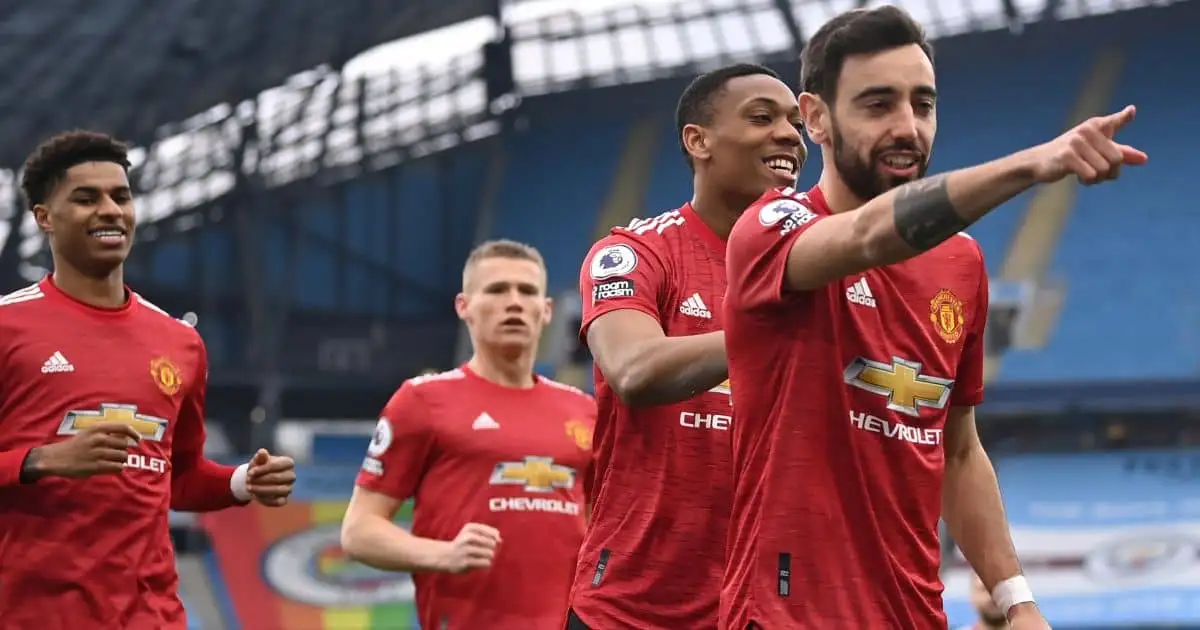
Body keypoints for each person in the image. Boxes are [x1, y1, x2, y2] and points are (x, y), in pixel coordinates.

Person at [721, 6, 1145, 630]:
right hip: (787, 614)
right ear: (816, 117)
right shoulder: (771, 228)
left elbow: (959, 452)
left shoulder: (961, 262)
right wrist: (1033, 164)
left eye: (922, 104)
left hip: (915, 614)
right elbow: (868, 236)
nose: (907, 127)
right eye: (878, 105)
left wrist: (1018, 602)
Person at [0, 130, 297, 629]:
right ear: (44, 218)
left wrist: (242, 481)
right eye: (86, 198)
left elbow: (177, 476)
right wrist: (39, 460)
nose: (110, 211)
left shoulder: (180, 342)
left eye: (121, 196)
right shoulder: (7, 326)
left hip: (151, 616)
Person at [569, 63, 806, 629]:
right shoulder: (636, 253)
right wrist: (772, 328)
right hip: (635, 609)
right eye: (762, 118)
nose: (789, 136)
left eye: (796, 124)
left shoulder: (817, 263)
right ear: (698, 141)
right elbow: (635, 370)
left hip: (772, 609)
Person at [341, 239, 597, 630]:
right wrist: (442, 555)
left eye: (527, 291)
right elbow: (358, 531)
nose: (514, 302)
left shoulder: (584, 410)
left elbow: (598, 526)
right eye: (497, 290)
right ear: (464, 306)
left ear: (546, 310)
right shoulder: (422, 401)